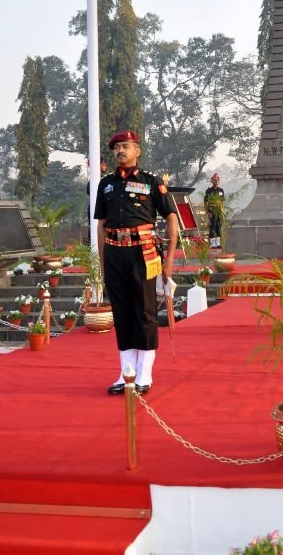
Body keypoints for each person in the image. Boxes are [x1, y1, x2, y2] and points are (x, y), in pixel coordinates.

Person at [94, 130, 178, 395]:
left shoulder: (152, 182)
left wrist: (170, 261)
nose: (120, 151)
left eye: (126, 146)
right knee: (122, 313)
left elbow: (171, 218)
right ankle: (125, 371)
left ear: (137, 150)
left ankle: (144, 373)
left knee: (144, 312)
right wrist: (102, 259)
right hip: (115, 253)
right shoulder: (105, 184)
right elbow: (101, 225)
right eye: (117, 147)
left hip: (142, 254)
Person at [204, 172, 225, 249]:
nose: (216, 182)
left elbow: (222, 202)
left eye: (217, 180)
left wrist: (222, 211)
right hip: (211, 210)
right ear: (212, 181)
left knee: (218, 227)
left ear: (219, 181)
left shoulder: (221, 190)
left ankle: (218, 243)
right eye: (214, 180)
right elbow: (205, 202)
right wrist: (207, 212)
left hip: (219, 210)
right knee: (212, 226)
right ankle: (213, 244)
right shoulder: (209, 190)